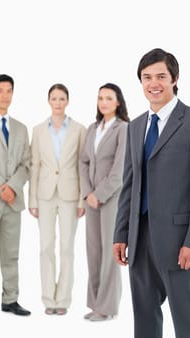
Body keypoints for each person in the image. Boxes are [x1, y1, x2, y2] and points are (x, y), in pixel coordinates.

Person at [113, 48, 190, 338]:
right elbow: (129, 184)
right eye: (147, 77)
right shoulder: (135, 126)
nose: (153, 83)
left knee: (188, 321)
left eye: (160, 76)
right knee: (144, 319)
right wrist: (121, 234)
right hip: (140, 238)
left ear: (175, 79)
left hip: (180, 242)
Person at [29, 83, 86, 315]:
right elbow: (35, 165)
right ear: (48, 101)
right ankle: (47, 300)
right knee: (45, 248)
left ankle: (62, 300)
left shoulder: (79, 129)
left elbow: (83, 166)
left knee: (67, 248)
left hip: (70, 194)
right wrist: (32, 198)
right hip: (44, 194)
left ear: (68, 101)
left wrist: (82, 200)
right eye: (54, 98)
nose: (58, 102)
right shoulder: (39, 130)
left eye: (62, 98)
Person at [79, 82, 129, 321]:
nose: (104, 102)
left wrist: (99, 195)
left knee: (110, 253)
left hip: (111, 200)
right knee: (93, 251)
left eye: (109, 98)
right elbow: (83, 162)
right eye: (100, 98)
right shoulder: (92, 128)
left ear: (118, 101)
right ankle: (95, 303)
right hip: (91, 201)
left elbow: (120, 170)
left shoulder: (123, 129)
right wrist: (88, 193)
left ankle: (107, 308)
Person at [0, 74, 31, 321]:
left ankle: (10, 299)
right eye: (0, 91)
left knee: (11, 253)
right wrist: (0, 186)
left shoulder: (21, 128)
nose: (5, 95)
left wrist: (12, 187)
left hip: (13, 202)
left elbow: (27, 163)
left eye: (9, 90)